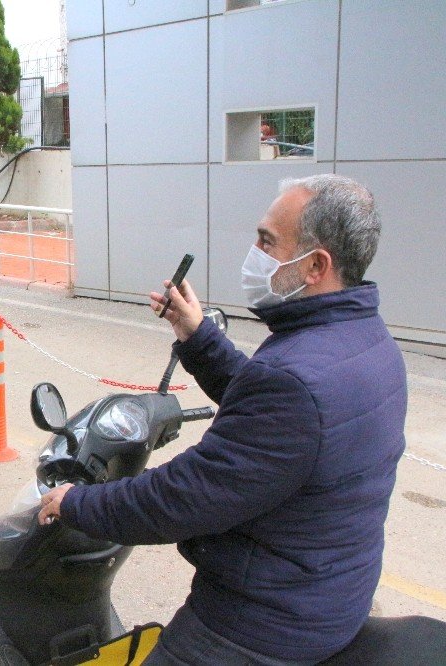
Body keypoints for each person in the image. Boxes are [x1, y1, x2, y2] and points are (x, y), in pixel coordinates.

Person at [38, 175, 406, 665]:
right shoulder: (365, 339)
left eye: (268, 242)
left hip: (260, 623)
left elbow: (186, 496)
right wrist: (197, 336)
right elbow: (275, 424)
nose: (254, 251)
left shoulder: (295, 377)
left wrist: (77, 503)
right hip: (328, 589)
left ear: (317, 265)